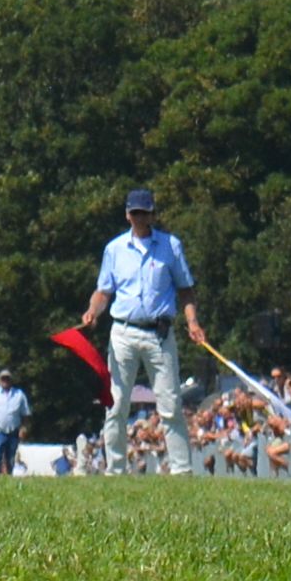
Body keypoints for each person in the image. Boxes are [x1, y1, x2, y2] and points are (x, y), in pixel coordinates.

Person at [81, 188, 212, 476]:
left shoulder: (170, 246)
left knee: (170, 404)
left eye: (145, 212)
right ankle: (115, 470)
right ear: (128, 214)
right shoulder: (114, 249)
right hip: (123, 333)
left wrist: (193, 323)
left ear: (152, 214)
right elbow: (103, 292)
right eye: (135, 212)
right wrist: (93, 312)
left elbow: (185, 290)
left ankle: (181, 471)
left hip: (159, 334)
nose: (140, 218)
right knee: (115, 404)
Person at [0, 367, 30, 479]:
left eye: (7, 379)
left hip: (13, 431)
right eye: (3, 379)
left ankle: (8, 477)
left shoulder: (19, 395)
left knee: (10, 456)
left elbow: (25, 414)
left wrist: (24, 428)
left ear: (11, 380)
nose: (5, 381)